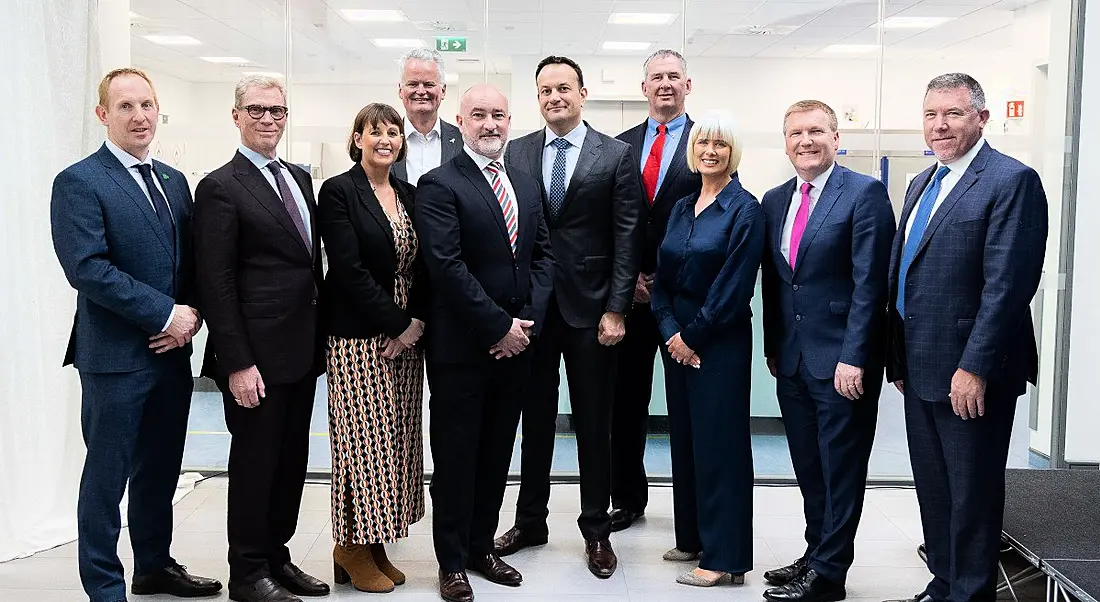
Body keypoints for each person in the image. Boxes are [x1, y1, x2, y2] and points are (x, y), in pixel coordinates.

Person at [50, 67, 221, 602]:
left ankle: (153, 566)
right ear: (103, 114)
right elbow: (87, 268)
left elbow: (190, 261)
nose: (140, 116)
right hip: (115, 358)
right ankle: (104, 585)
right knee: (107, 477)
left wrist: (188, 315)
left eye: (147, 105)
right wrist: (163, 314)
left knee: (161, 470)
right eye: (125, 107)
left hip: (171, 355)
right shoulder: (79, 181)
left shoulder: (173, 181)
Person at [885, 73, 1047, 602]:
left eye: (953, 114)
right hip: (922, 364)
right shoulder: (921, 182)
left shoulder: (1010, 180)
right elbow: (907, 274)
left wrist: (974, 366)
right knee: (935, 491)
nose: (940, 125)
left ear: (982, 117)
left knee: (972, 495)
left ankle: (972, 592)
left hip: (971, 372)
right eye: (931, 114)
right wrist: (899, 358)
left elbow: (1008, 287)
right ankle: (945, 583)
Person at [494, 55, 643, 579]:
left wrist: (617, 308)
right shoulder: (518, 151)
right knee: (533, 422)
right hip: (533, 311)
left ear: (582, 93)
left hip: (592, 311)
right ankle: (530, 520)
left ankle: (596, 530)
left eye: (563, 88)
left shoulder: (616, 154)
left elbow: (628, 236)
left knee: (592, 424)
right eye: (544, 91)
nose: (554, 97)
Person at [414, 83, 554, 602]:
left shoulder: (524, 181)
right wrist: (498, 327)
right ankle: (451, 561)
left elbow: (543, 258)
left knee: (497, 452)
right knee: (455, 457)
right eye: (479, 115)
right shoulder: (439, 183)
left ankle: (480, 547)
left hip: (518, 345)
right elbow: (447, 268)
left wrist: (526, 325)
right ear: (460, 121)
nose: (490, 124)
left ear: (510, 119)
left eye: (498, 115)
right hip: (463, 350)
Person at [194, 75, 328, 602]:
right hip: (254, 358)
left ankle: (278, 556)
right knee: (255, 466)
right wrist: (237, 362)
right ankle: (248, 574)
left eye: (277, 110)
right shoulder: (220, 186)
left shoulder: (299, 177)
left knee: (291, 462)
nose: (269, 119)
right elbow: (216, 281)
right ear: (236, 116)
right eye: (257, 110)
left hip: (299, 350)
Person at [759, 100, 896, 602]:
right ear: (786, 140)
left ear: (836, 138)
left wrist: (856, 356)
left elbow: (871, 286)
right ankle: (815, 553)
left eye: (816, 131)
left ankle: (830, 575)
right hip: (792, 360)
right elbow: (777, 284)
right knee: (809, 467)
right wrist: (775, 347)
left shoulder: (865, 194)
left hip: (843, 361)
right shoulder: (775, 200)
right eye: (795, 133)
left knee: (840, 469)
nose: (805, 141)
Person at [317, 103, 427, 593]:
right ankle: (351, 546)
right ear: (357, 137)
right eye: (375, 131)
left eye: (393, 131)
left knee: (395, 443)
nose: (386, 139)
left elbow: (422, 265)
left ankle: (377, 541)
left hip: (406, 337)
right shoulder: (338, 192)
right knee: (361, 444)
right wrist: (398, 323)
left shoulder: (408, 193)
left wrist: (412, 325)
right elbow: (347, 269)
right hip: (359, 336)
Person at [651, 111, 763, 587]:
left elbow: (733, 288)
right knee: (688, 443)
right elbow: (661, 280)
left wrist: (692, 337)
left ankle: (725, 557)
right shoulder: (681, 207)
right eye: (703, 144)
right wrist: (670, 331)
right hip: (678, 341)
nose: (710, 151)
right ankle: (693, 536)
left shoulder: (746, 208)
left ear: (732, 152)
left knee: (721, 448)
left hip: (719, 344)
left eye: (720, 144)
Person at [610, 48, 701, 532]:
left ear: (689, 84)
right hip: (627, 299)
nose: (665, 84)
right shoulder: (619, 146)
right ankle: (626, 498)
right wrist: (631, 281)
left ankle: (692, 508)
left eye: (674, 76)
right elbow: (610, 223)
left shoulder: (708, 142)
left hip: (682, 299)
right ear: (642, 87)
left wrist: (663, 280)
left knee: (688, 405)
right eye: (656, 77)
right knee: (625, 404)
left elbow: (718, 220)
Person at [393, 48, 462, 185]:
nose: (421, 91)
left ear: (443, 91)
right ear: (401, 91)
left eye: (428, 84)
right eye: (412, 84)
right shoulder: (385, 142)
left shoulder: (463, 141)